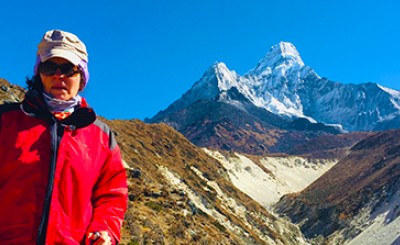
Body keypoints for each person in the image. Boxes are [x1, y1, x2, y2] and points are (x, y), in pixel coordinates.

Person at [0, 29, 128, 244]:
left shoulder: (101, 136)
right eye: (49, 67)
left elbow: (112, 194)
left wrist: (105, 230)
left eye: (69, 69)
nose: (58, 75)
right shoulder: (6, 121)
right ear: (38, 73)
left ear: (82, 77)